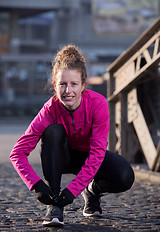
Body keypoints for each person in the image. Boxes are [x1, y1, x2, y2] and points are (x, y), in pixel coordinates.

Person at [10, 44, 134, 227]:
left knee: (125, 176)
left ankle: (92, 191)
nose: (68, 91)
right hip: (62, 157)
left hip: (90, 156)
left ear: (84, 85)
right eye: (62, 84)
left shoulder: (98, 104)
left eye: (74, 84)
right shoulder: (49, 110)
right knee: (53, 131)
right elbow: (17, 153)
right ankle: (54, 205)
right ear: (55, 85)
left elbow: (97, 153)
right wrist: (36, 185)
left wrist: (74, 190)